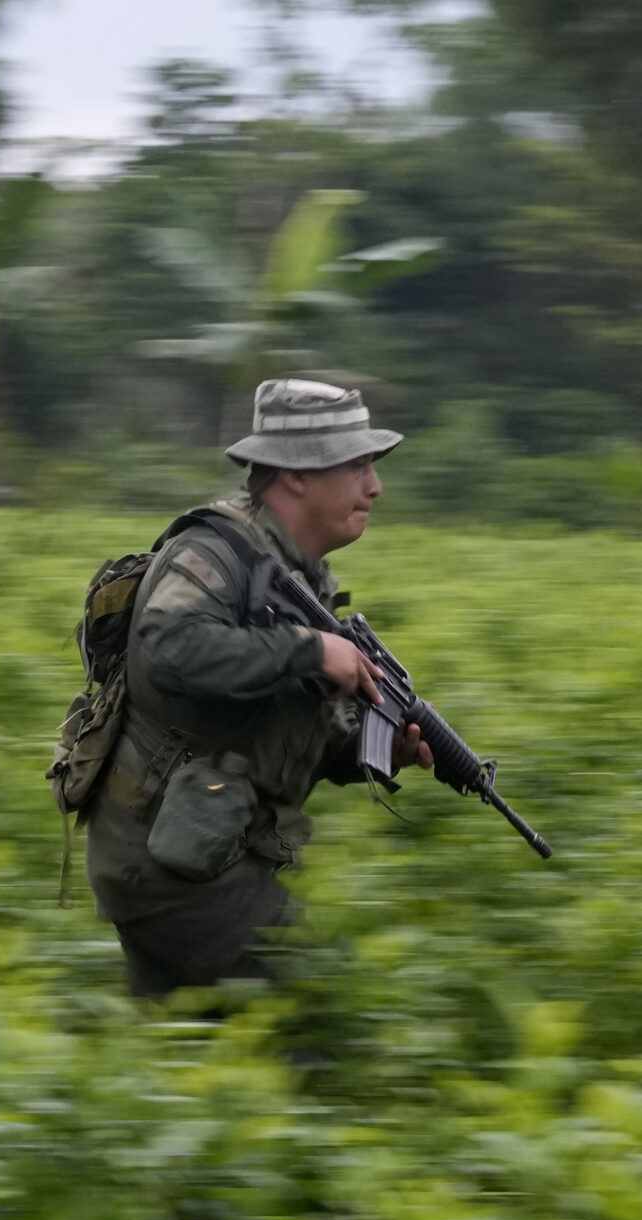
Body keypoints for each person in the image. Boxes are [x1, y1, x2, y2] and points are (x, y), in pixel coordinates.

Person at [84, 378, 430, 996]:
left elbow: (278, 730)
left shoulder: (300, 574)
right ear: (296, 474)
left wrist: (370, 753)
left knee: (191, 1054)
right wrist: (312, 649)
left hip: (198, 851)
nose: (375, 486)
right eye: (357, 466)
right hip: (169, 863)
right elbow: (169, 649)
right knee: (312, 1005)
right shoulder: (214, 553)